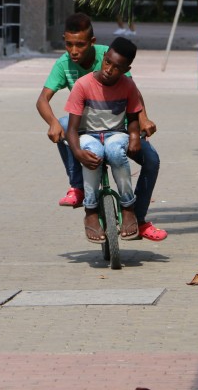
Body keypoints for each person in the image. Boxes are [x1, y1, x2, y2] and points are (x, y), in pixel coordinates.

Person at [35, 12, 166, 241]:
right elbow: (42, 99)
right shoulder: (64, 64)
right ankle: (78, 187)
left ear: (93, 44)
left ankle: (138, 218)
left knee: (152, 160)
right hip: (84, 128)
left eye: (80, 45)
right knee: (64, 125)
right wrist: (53, 123)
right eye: (69, 44)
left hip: (119, 127)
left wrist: (143, 120)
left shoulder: (113, 55)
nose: (74, 51)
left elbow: (133, 92)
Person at [65, 37, 142, 242]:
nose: (109, 69)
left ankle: (128, 207)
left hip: (115, 133)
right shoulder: (83, 85)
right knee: (94, 153)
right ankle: (91, 212)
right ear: (104, 57)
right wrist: (77, 152)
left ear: (127, 69)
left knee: (115, 150)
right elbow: (72, 129)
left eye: (117, 67)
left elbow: (133, 119)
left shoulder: (128, 86)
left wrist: (134, 137)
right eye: (107, 62)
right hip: (87, 135)